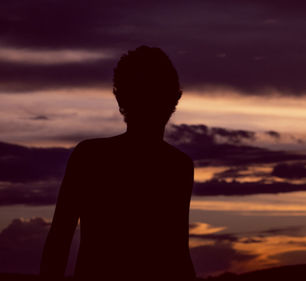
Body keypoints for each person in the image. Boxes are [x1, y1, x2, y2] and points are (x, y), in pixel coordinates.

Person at [40, 46, 196, 280]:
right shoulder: (177, 166)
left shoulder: (90, 156)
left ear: (119, 97)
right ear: (175, 98)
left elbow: (59, 239)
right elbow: (178, 253)